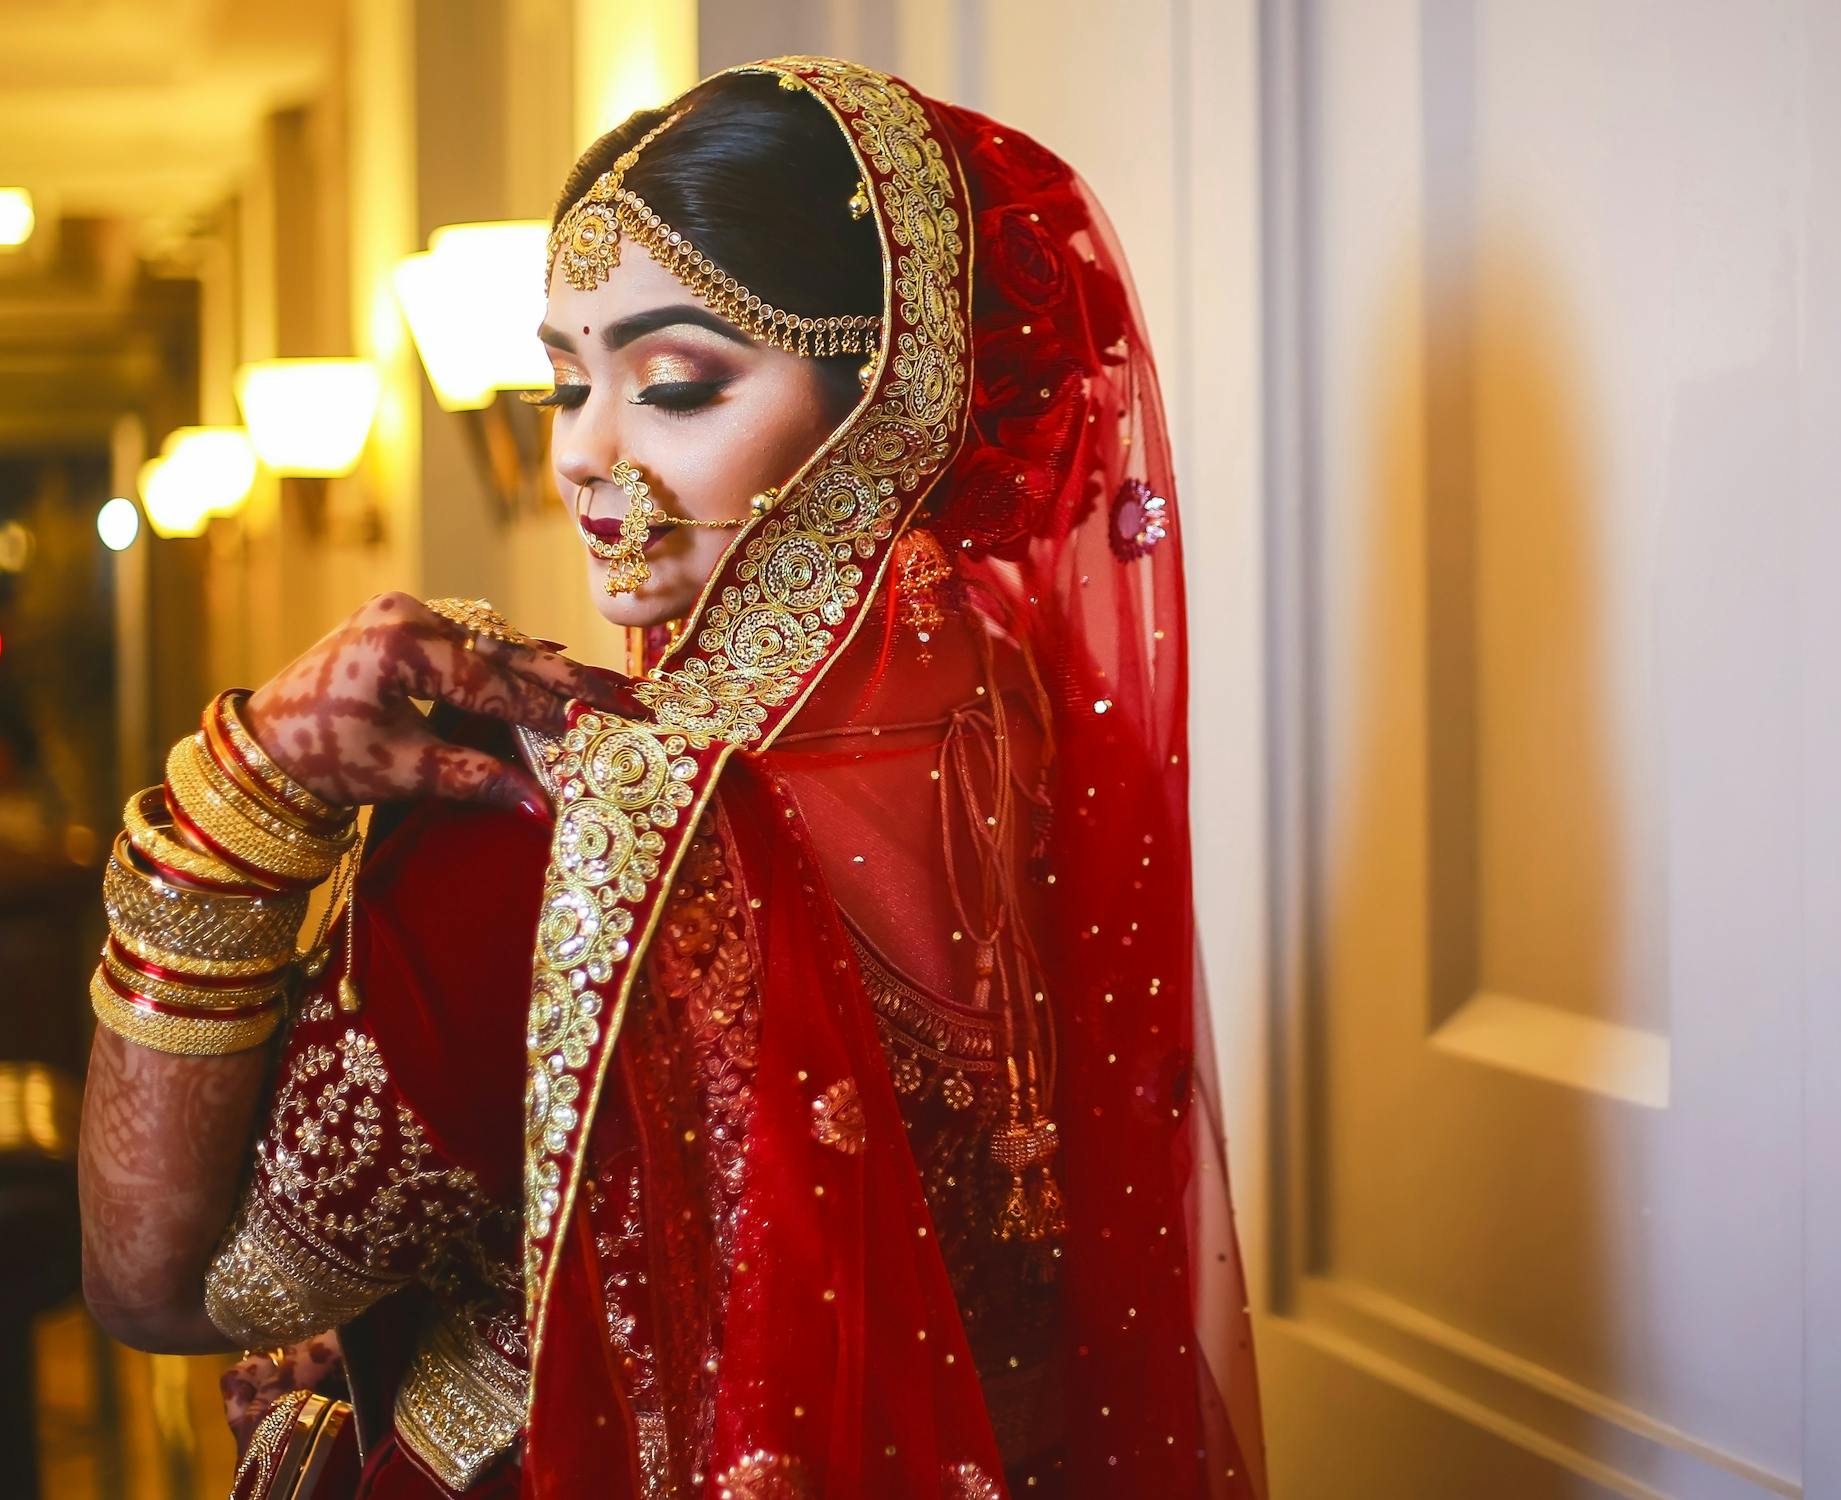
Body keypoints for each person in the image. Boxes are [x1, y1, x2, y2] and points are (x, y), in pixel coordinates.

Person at [75, 56, 1264, 1500]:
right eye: (565, 384)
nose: (583, 455)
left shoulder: (554, 841)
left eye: (678, 382)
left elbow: (168, 1288)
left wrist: (241, 795)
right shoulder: (1049, 749)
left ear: (894, 398)